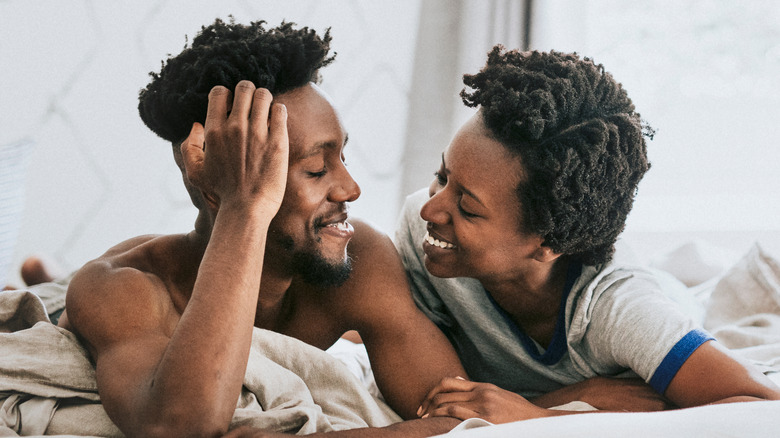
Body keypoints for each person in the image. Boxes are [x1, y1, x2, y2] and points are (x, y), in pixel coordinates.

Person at [59, 18, 468, 438]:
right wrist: (242, 207)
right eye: (316, 169)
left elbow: (465, 420)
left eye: (343, 158)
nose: (351, 189)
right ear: (212, 182)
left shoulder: (361, 257)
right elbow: (181, 426)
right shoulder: (122, 289)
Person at [395, 47, 780, 424]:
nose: (431, 209)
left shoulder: (623, 312)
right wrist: (574, 397)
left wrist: (541, 418)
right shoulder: (421, 232)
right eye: (442, 176)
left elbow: (764, 405)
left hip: (668, 299)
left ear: (548, 243)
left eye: (467, 207)